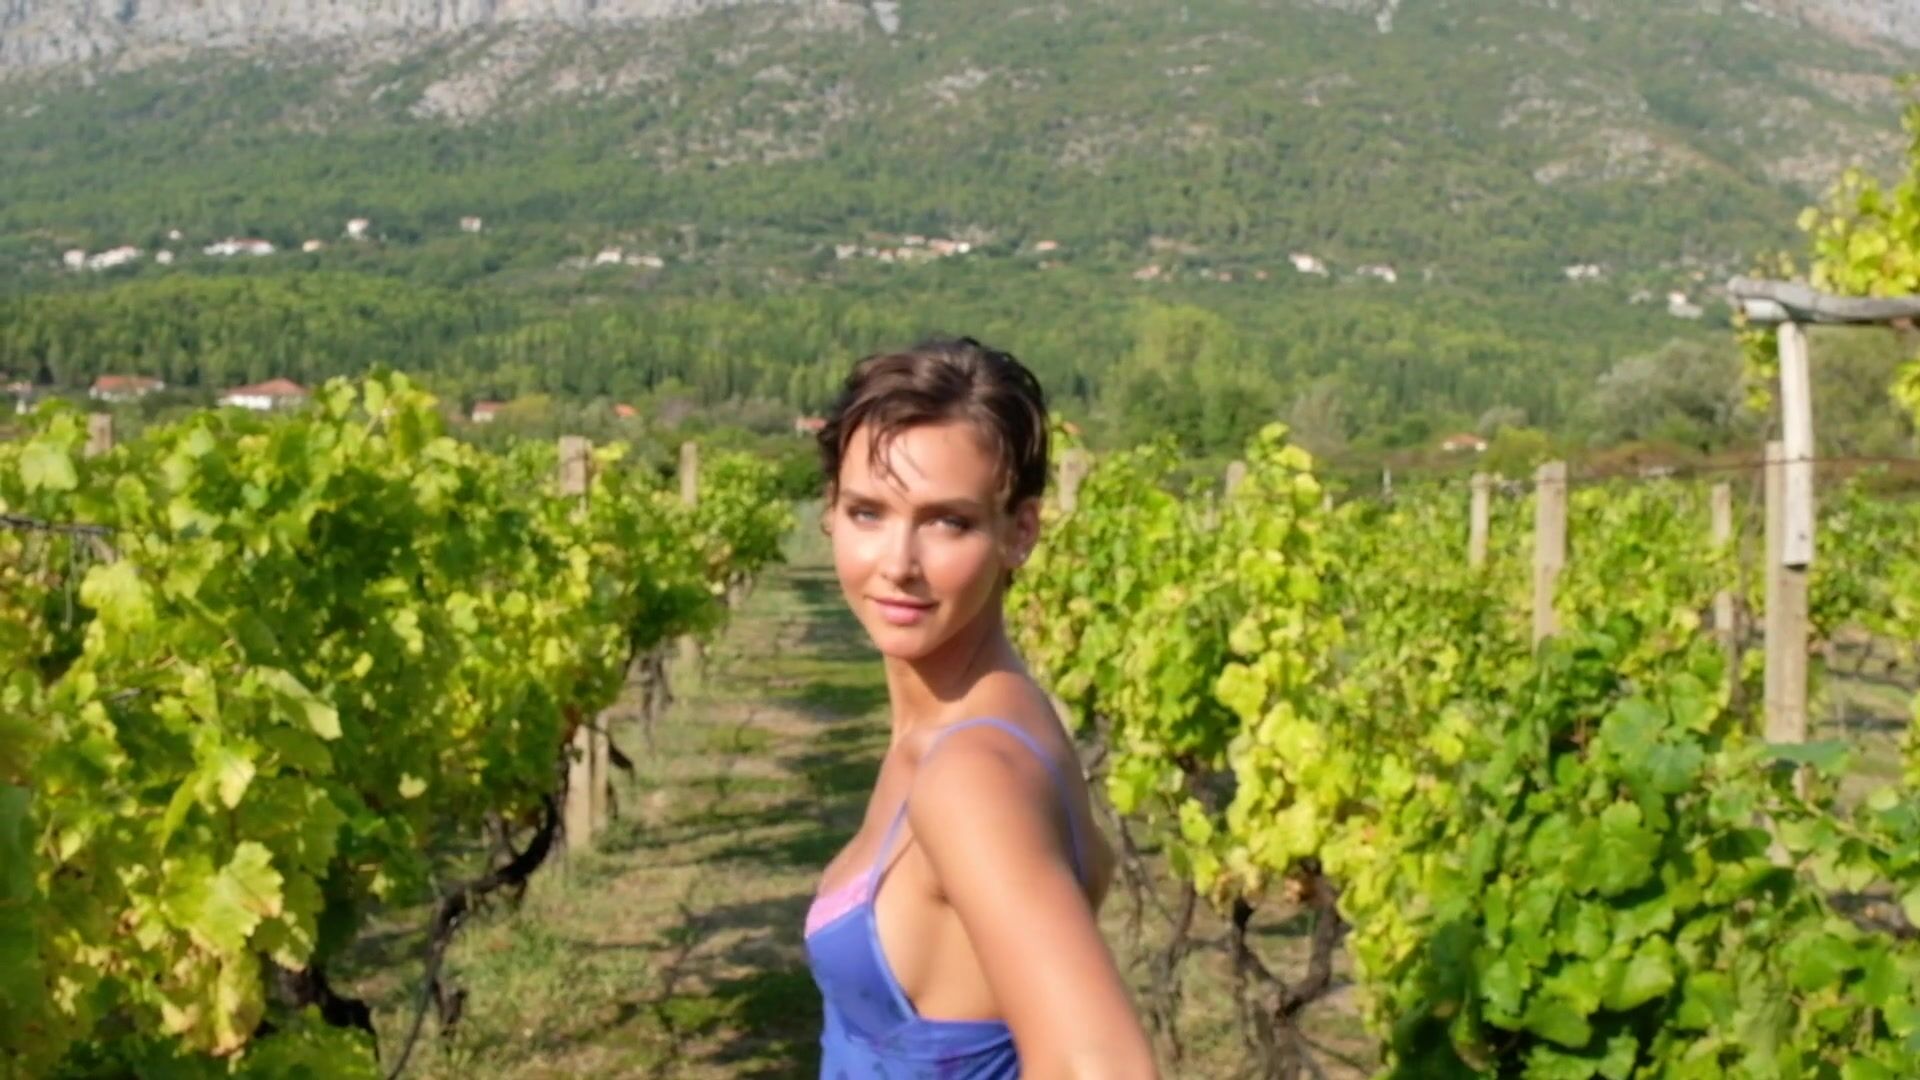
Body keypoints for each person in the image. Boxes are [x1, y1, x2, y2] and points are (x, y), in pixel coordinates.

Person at [802, 337, 1159, 1079]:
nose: (898, 563)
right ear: (830, 510)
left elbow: (1101, 1066)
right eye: (868, 512)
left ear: (1019, 532)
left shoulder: (971, 774)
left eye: (949, 522)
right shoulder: (987, 717)